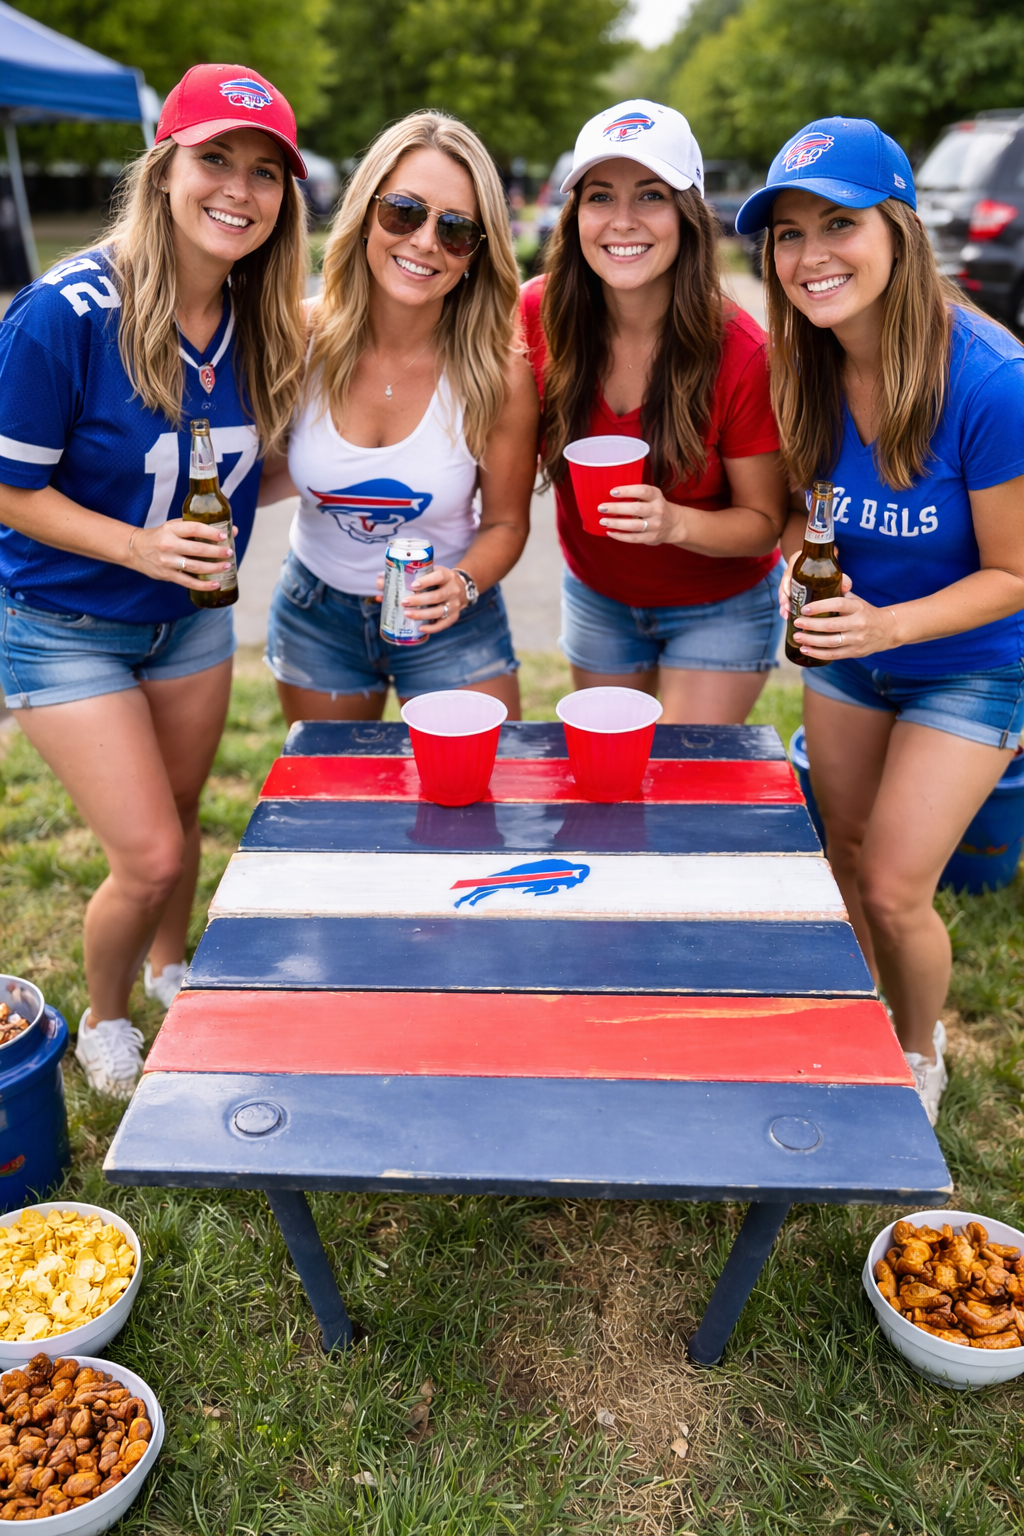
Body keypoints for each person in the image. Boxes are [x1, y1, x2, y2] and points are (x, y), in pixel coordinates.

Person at [0, 64, 308, 1095]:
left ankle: (173, 966)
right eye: (215, 157)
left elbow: (252, 461)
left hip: (187, 623)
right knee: (151, 855)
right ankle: (103, 1017)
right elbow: (9, 491)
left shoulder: (263, 315)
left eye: (265, 171)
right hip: (64, 622)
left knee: (182, 810)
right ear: (164, 165)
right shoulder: (63, 312)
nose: (239, 187)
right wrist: (137, 546)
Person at [735, 117, 1024, 1124]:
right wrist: (789, 567)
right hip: (851, 647)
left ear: (898, 231)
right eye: (786, 234)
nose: (810, 256)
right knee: (842, 852)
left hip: (970, 663)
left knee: (898, 886)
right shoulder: (801, 361)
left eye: (838, 224)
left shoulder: (990, 378)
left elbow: (1016, 573)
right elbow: (793, 514)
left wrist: (887, 627)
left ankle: (915, 1050)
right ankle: (854, 1018)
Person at [261, 111, 538, 724]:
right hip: (317, 615)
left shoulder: (499, 371)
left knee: (475, 809)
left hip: (452, 617)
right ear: (365, 214)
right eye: (404, 212)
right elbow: (244, 471)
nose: (424, 242)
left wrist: (463, 583)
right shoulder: (297, 336)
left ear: (476, 254)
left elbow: (506, 524)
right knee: (334, 809)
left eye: (457, 230)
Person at [520, 100, 788, 724]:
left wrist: (674, 523)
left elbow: (764, 521)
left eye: (649, 196)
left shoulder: (742, 352)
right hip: (598, 595)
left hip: (719, 604)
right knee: (610, 780)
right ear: (574, 214)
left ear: (687, 214)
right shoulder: (536, 313)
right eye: (599, 197)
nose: (622, 221)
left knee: (679, 784)